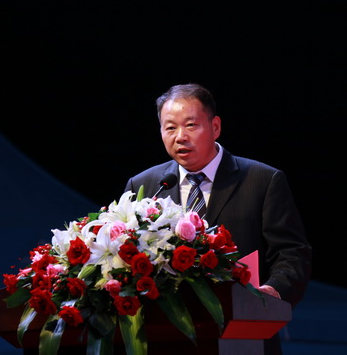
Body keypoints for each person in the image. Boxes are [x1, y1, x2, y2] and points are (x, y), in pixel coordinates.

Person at [124, 83, 312, 355]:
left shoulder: (262, 180)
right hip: (166, 338)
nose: (180, 137)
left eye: (191, 125)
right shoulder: (146, 185)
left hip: (244, 335)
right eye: (170, 128)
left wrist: (274, 290)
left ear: (215, 127)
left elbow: (292, 252)